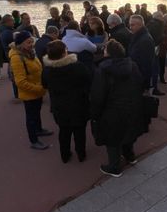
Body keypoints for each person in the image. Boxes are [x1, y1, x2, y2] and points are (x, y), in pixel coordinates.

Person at [90, 39, 144, 177]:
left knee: (112, 138)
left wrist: (95, 114)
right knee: (128, 132)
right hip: (131, 106)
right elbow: (140, 85)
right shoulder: (133, 65)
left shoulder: (103, 70)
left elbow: (98, 95)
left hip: (112, 110)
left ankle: (114, 167)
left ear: (108, 53)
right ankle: (130, 156)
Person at [42, 41, 91, 163]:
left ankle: (65, 155)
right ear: (64, 52)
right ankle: (81, 154)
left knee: (64, 131)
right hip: (78, 104)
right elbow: (88, 80)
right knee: (79, 131)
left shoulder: (47, 70)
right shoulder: (77, 66)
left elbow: (44, 85)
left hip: (59, 106)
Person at [9, 31, 53, 150]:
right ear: (20, 44)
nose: (32, 44)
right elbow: (20, 82)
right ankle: (33, 140)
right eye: (28, 42)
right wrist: (39, 88)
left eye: (32, 41)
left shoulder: (30, 52)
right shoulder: (17, 58)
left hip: (38, 90)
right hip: (30, 93)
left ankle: (39, 130)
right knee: (31, 117)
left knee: (36, 112)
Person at [128, 15, 155, 93]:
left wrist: (145, 85)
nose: (130, 27)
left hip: (139, 79)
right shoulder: (137, 36)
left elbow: (147, 64)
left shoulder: (145, 40)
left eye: (132, 25)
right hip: (135, 75)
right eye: (130, 25)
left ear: (140, 25)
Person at [146, 10, 165, 95]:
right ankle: (154, 88)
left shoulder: (150, 23)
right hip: (154, 49)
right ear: (158, 17)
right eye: (162, 17)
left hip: (149, 49)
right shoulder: (158, 25)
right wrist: (163, 38)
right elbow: (157, 39)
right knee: (155, 69)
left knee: (152, 69)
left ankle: (151, 86)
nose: (163, 18)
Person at [158, 12, 167, 84]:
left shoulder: (161, 26)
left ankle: (160, 76)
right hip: (162, 48)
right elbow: (165, 37)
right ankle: (161, 77)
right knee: (161, 63)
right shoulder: (165, 27)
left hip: (161, 48)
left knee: (159, 63)